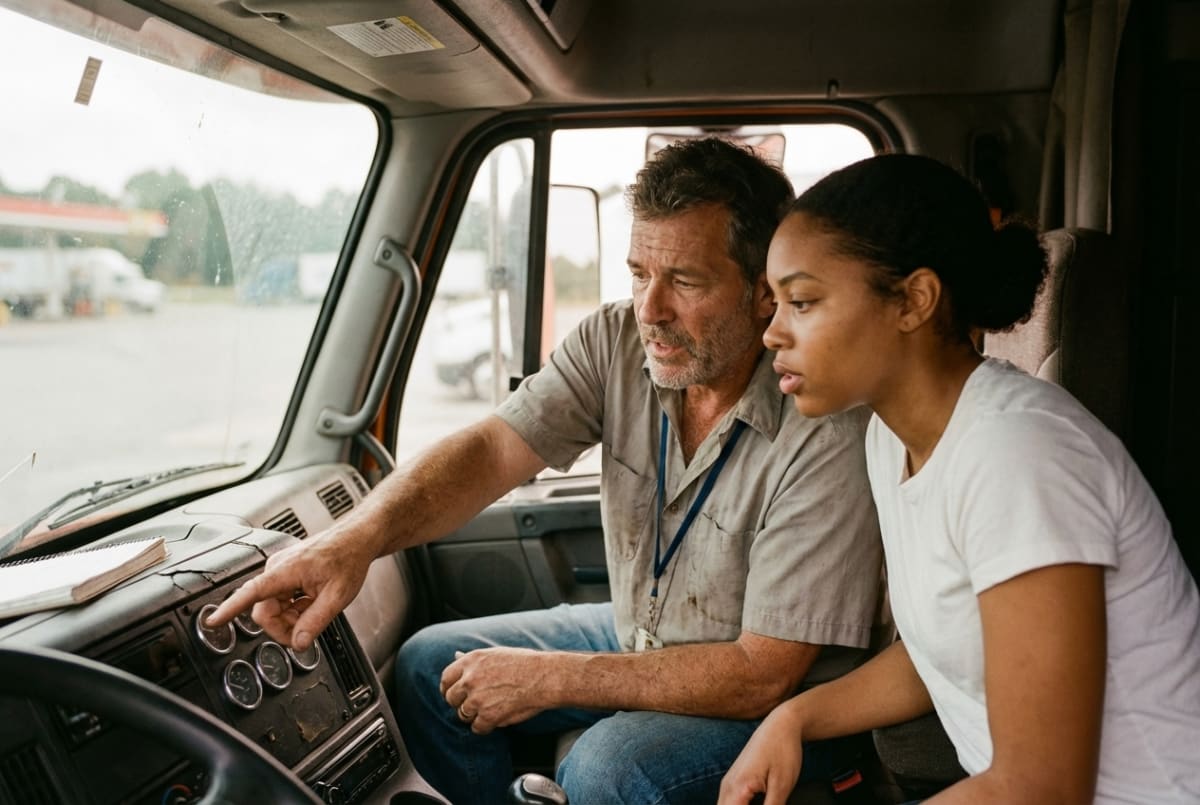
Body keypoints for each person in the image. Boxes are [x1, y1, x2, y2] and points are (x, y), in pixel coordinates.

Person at [208, 137, 884, 804]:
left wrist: (552, 677)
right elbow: (494, 449)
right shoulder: (615, 340)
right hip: (640, 630)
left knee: (607, 767)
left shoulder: (824, 423)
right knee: (429, 668)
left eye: (685, 281)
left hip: (792, 696)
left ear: (765, 293)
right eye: (639, 274)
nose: (650, 311)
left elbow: (759, 674)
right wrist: (354, 539)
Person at [719, 153, 1200, 804]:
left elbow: (1040, 788)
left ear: (914, 300)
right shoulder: (891, 438)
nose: (773, 332)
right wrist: (793, 718)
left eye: (802, 301)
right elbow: (944, 649)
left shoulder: (1018, 455)